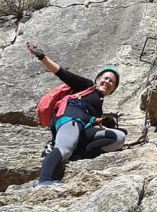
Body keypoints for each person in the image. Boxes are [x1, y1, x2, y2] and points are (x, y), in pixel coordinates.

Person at [27, 41, 125, 186]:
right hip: (70, 120)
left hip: (82, 129)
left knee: (118, 137)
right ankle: (44, 180)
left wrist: (102, 123)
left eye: (112, 82)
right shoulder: (85, 85)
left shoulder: (98, 104)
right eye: (105, 78)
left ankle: (77, 155)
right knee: (64, 149)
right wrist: (42, 57)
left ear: (112, 89)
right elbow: (61, 73)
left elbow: (91, 122)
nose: (108, 82)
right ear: (97, 80)